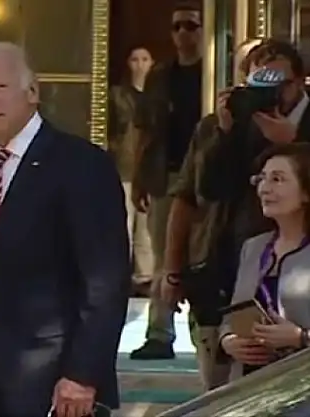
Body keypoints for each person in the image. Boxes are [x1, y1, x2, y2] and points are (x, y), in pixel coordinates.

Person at [0, 41, 130, 417]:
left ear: (32, 91)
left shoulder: (81, 164)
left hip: (58, 379)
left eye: (0, 87)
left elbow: (105, 281)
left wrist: (83, 374)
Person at [158, 38, 265, 391]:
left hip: (271, 269)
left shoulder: (294, 128)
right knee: (216, 385)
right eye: (250, 72)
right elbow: (185, 199)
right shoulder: (210, 128)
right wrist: (173, 270)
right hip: (213, 265)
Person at [131, 0, 204, 360]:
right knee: (163, 256)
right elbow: (144, 129)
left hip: (204, 178)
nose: (183, 34)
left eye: (190, 26)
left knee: (203, 255)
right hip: (167, 172)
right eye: (177, 27)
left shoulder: (213, 71)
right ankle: (159, 334)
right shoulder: (161, 76)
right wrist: (138, 177)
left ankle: (203, 331)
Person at [200, 40, 310, 275]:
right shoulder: (242, 120)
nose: (271, 95)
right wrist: (225, 133)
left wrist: (293, 142)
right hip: (242, 250)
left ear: (300, 82)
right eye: (260, 85)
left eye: (280, 85)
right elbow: (210, 189)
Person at [219, 143, 310, 379]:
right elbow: (233, 314)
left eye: (277, 179)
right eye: (261, 179)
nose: (264, 188)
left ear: (306, 192)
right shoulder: (253, 247)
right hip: (252, 383)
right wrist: (228, 340)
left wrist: (301, 338)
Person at [108, 45, 156, 292]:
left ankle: (144, 277)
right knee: (123, 223)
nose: (140, 64)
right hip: (122, 165)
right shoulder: (117, 95)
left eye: (144, 59)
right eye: (135, 59)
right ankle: (120, 276)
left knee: (147, 228)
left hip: (149, 167)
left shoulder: (156, 97)